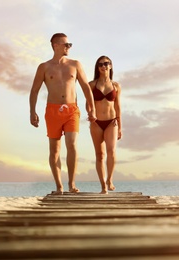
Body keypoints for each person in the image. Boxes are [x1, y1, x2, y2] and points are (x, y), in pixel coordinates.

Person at [29, 33, 97, 195]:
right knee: (55, 150)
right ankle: (59, 186)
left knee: (72, 144)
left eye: (69, 45)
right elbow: (34, 90)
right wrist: (32, 111)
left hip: (71, 109)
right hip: (52, 110)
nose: (69, 47)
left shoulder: (75, 64)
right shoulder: (44, 67)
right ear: (55, 45)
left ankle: (72, 184)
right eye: (66, 44)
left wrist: (91, 108)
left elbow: (86, 87)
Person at [88, 56, 122, 194]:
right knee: (100, 155)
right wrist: (91, 113)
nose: (104, 66)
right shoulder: (91, 85)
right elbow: (88, 104)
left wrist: (120, 126)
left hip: (111, 122)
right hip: (96, 123)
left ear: (111, 66)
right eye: (101, 64)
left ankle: (110, 179)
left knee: (111, 151)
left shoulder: (116, 86)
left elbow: (118, 106)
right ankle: (103, 186)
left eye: (107, 63)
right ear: (98, 67)